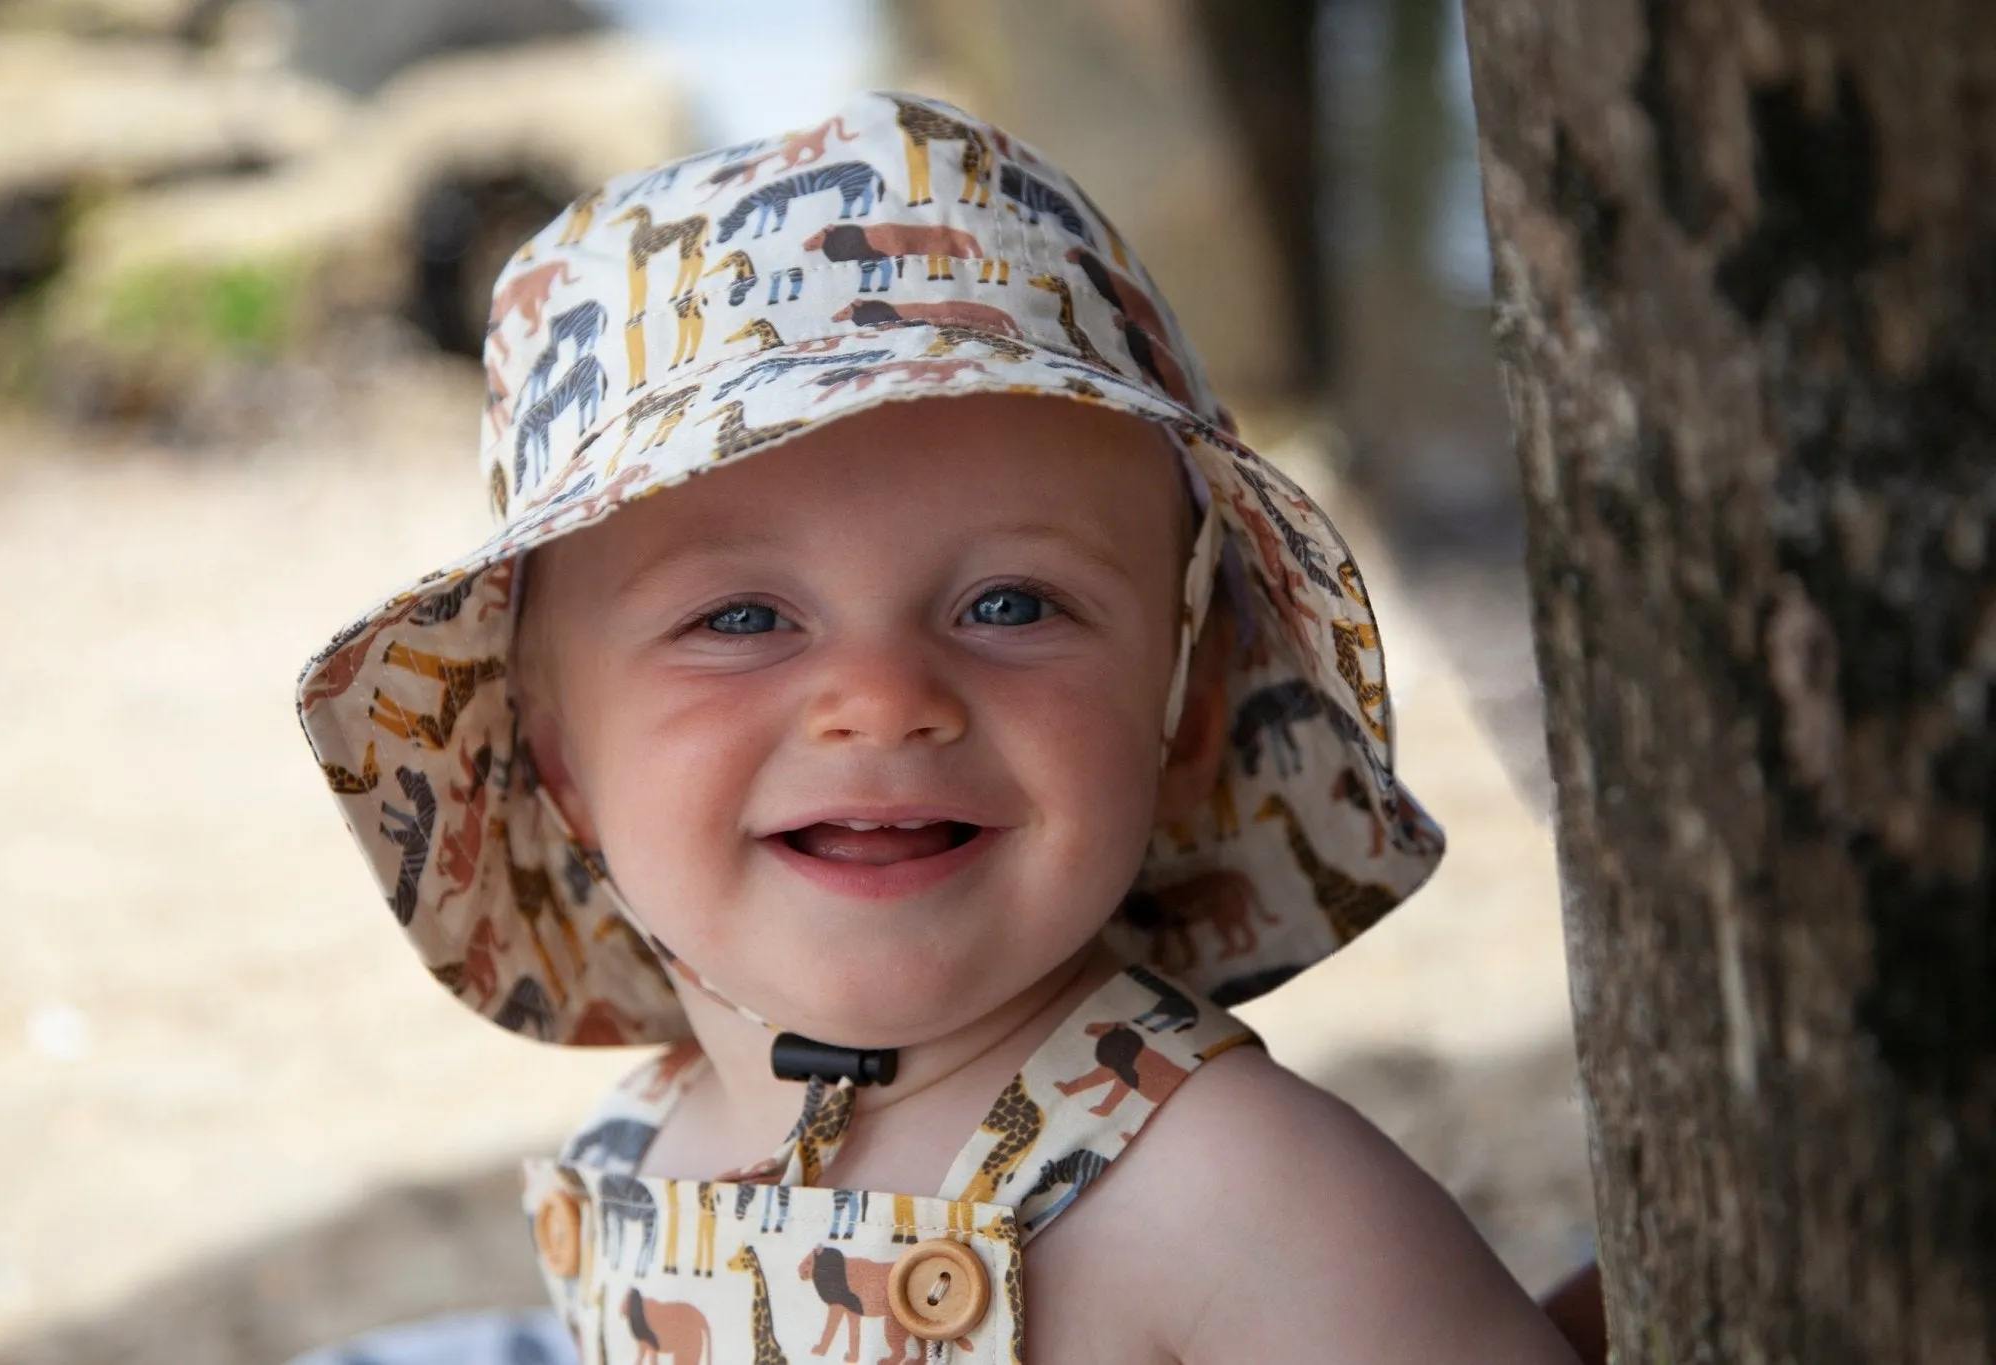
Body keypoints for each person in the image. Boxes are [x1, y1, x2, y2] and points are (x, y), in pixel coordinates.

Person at [295, 89, 1594, 1365]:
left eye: (1010, 602)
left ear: (1183, 717)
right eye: (743, 619)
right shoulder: (638, 1146)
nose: (883, 697)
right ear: (559, 763)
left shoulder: (1240, 1201)